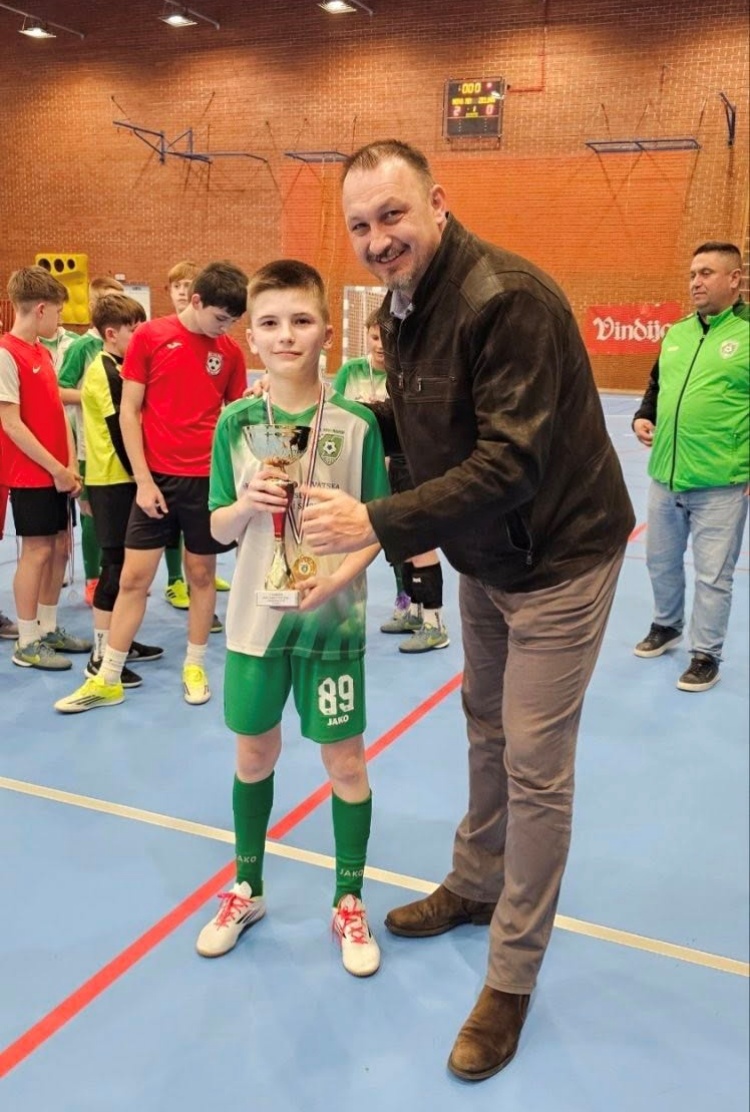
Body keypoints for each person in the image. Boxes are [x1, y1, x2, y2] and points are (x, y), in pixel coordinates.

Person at [301, 140, 635, 1080]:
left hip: (559, 557)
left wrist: (374, 519)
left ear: (437, 203)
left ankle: (512, 975)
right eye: (360, 225)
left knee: (535, 764)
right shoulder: (404, 307)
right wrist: (364, 519)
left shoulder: (505, 300)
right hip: (486, 556)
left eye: (392, 215)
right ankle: (476, 882)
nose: (378, 239)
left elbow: (509, 464)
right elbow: (422, 440)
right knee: (483, 724)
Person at [195, 259, 388, 978]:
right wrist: (247, 503)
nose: (286, 335)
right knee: (254, 756)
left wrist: (335, 578)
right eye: (270, 323)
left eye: (301, 321)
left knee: (346, 761)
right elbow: (216, 528)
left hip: (331, 622)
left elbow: (377, 526)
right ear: (251, 336)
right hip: (254, 624)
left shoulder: (358, 425)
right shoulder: (238, 423)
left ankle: (348, 899)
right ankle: (247, 887)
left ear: (327, 333)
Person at [54, 260, 249, 712]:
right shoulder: (150, 337)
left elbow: (236, 417)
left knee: (201, 576)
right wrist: (142, 480)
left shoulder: (230, 352)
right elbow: (129, 412)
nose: (226, 328)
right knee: (132, 579)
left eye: (233, 321)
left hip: (205, 483)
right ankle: (108, 678)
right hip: (155, 481)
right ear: (196, 301)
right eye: (221, 318)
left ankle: (194, 665)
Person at [632, 241, 749, 691]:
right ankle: (667, 625)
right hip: (665, 475)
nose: (696, 282)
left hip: (721, 481)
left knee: (713, 576)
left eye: (706, 273)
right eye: (692, 274)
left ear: (734, 279)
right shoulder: (677, 332)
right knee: (660, 562)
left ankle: (706, 654)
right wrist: (644, 414)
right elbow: (657, 384)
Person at [54, 294, 163, 711]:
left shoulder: (119, 367)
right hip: (113, 480)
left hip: (122, 479)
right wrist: (143, 478)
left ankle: (123, 639)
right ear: (112, 333)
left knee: (127, 565)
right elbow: (121, 433)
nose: (140, 335)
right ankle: (101, 655)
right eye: (134, 329)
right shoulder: (104, 372)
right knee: (114, 566)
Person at [334, 310, 449, 652]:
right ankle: (413, 611)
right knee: (402, 543)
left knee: (420, 544)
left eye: (389, 339)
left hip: (416, 465)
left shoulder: (414, 376)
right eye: (376, 337)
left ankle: (435, 624)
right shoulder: (362, 372)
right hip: (392, 466)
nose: (382, 345)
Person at [0, 266, 90, 670]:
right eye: (57, 312)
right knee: (36, 552)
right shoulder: (6, 355)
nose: (60, 320)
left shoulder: (45, 353)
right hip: (31, 474)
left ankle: (48, 627)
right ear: (40, 309)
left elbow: (57, 413)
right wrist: (55, 468)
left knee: (60, 548)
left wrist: (69, 464)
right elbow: (11, 424)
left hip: (58, 472)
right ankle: (27, 641)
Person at [161, 261, 228, 627]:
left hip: (201, 464)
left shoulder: (222, 345)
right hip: (162, 464)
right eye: (177, 286)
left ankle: (198, 578)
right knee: (165, 534)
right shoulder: (156, 335)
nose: (183, 291)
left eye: (189, 284)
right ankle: (175, 579)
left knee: (199, 537)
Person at [58, 276, 125, 606]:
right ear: (93, 305)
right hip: (89, 445)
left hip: (120, 445)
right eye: (107, 300)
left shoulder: (127, 347)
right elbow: (58, 390)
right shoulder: (82, 347)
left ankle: (115, 576)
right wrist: (94, 395)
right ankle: (93, 578)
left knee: (118, 517)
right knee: (91, 515)